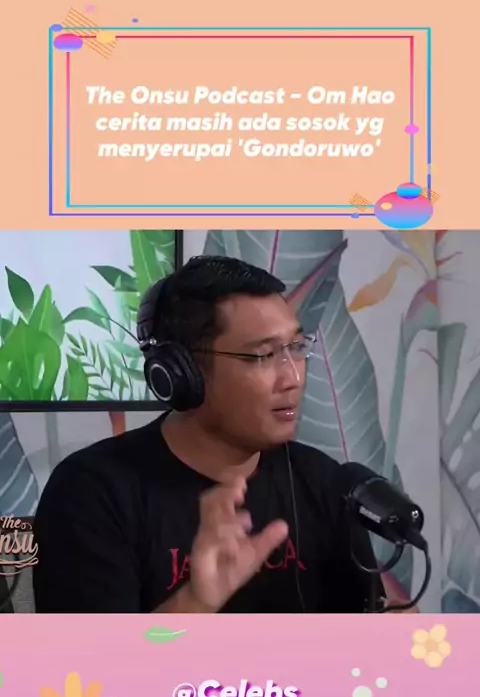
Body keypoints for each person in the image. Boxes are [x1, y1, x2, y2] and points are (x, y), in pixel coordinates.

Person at [33, 255, 413, 614]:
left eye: (296, 347)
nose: (293, 377)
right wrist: (196, 602)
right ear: (182, 374)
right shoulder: (92, 493)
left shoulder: (325, 483)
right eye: (263, 355)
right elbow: (92, 661)